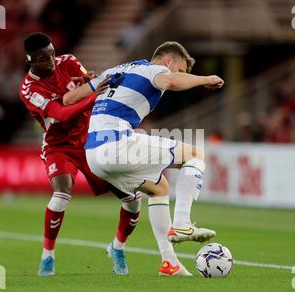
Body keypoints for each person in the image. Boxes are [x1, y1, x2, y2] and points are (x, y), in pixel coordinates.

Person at [64, 41, 224, 275]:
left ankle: (170, 263)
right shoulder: (154, 70)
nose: (180, 75)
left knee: (159, 188)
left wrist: (87, 84)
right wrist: (206, 78)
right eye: (181, 69)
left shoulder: (113, 71)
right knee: (195, 154)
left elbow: (69, 99)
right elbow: (169, 81)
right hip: (116, 145)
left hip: (94, 156)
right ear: (168, 60)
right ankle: (182, 224)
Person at [19, 32, 148, 277]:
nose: (52, 61)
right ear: (31, 60)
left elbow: (89, 78)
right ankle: (48, 256)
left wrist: (98, 82)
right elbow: (62, 113)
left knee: (132, 198)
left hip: (92, 139)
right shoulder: (29, 89)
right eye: (44, 59)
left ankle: (117, 247)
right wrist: (93, 96)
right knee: (61, 192)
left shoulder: (67, 61)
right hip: (59, 145)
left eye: (52, 54)